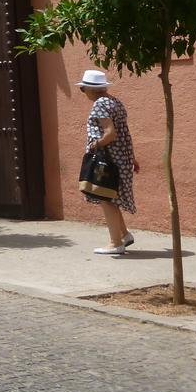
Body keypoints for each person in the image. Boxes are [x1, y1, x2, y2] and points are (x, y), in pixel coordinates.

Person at [77, 69, 138, 255]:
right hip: (121, 156)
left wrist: (96, 144)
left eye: (83, 89)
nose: (83, 92)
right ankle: (124, 235)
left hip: (109, 159)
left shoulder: (100, 105)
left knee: (106, 198)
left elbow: (110, 133)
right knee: (111, 196)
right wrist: (132, 156)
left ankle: (115, 243)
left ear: (91, 88)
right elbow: (123, 132)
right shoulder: (114, 101)